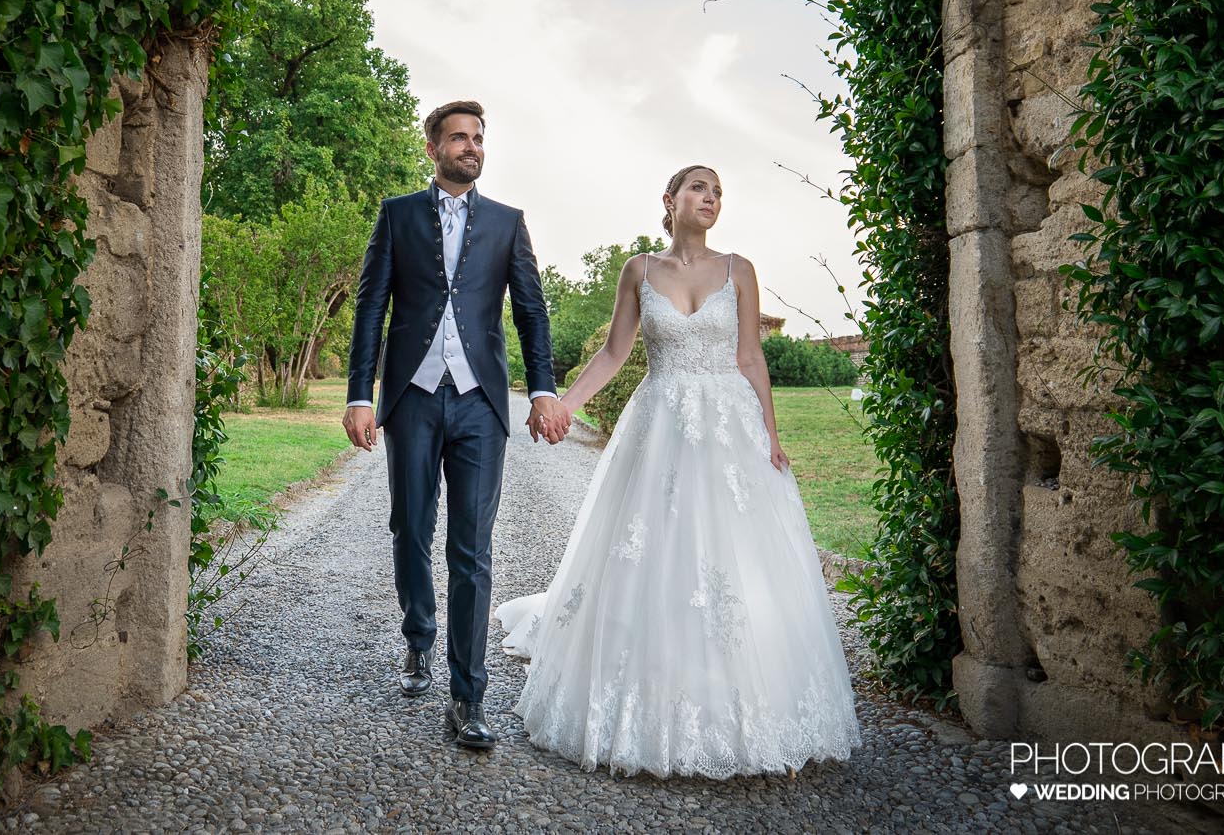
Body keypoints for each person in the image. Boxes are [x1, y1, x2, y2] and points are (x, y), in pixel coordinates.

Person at [493, 165, 862, 777]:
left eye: (718, 191)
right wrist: (563, 405)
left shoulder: (739, 270)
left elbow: (751, 357)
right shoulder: (639, 270)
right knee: (653, 548)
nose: (711, 197)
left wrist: (771, 436)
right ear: (669, 200)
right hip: (659, 421)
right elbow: (615, 352)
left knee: (735, 555)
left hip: (729, 428)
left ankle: (755, 707)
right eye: (699, 187)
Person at [342, 100, 568, 751]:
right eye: (459, 137)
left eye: (478, 138)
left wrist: (543, 389)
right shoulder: (396, 215)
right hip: (412, 397)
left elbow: (531, 311)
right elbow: (370, 308)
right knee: (411, 526)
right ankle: (418, 636)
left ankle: (468, 695)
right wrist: (360, 395)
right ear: (434, 148)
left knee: (471, 547)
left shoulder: (507, 222)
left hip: (479, 403)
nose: (471, 146)